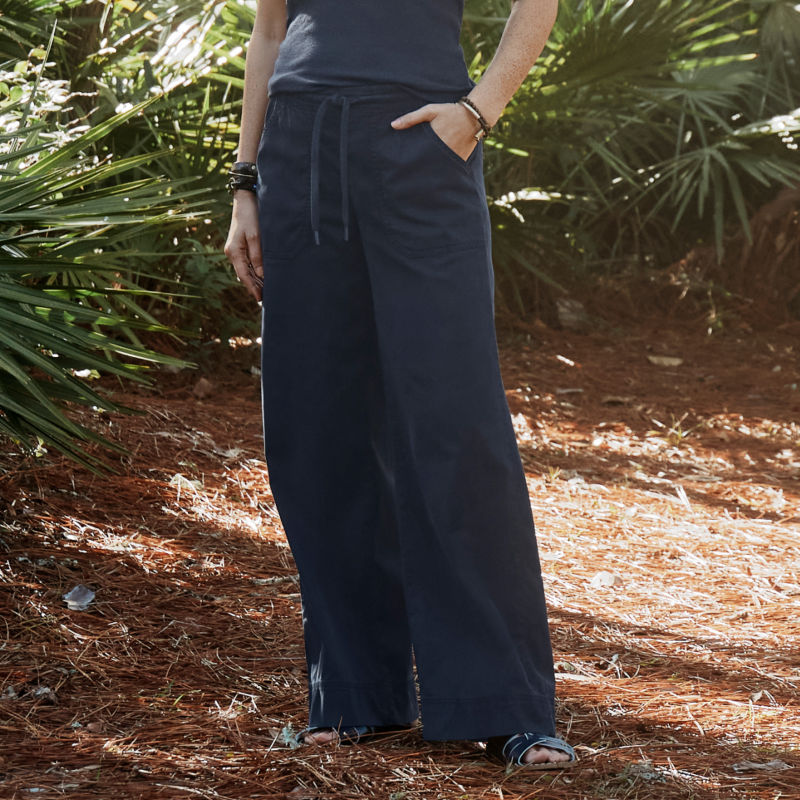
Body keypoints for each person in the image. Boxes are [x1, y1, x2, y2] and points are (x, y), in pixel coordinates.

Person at [224, 0, 575, 771]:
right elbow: (269, 30)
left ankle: (506, 704)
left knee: (455, 421)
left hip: (422, 146)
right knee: (318, 430)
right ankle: (355, 692)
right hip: (299, 150)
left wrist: (476, 112)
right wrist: (245, 183)